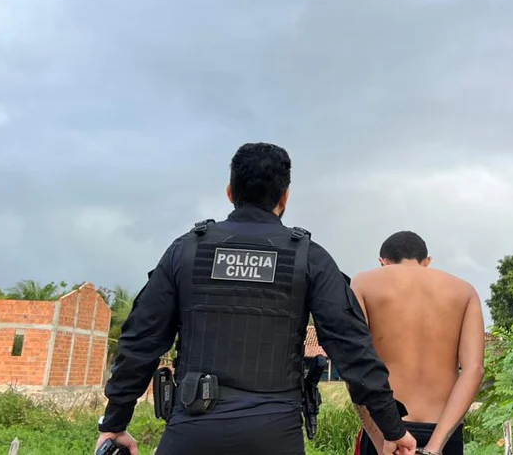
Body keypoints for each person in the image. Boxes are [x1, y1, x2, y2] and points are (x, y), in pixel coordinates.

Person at [94, 142, 418, 455]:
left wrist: (115, 423)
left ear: (230, 192)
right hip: (275, 434)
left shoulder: (186, 251)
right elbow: (352, 348)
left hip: (192, 429)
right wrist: (392, 429)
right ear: (285, 197)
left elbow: (141, 341)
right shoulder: (309, 258)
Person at [349, 231, 486, 455]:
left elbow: (355, 365)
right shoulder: (465, 291)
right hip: (443, 430)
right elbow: (474, 369)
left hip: (387, 427)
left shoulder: (363, 284)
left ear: (383, 262)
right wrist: (435, 447)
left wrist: (380, 441)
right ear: (427, 262)